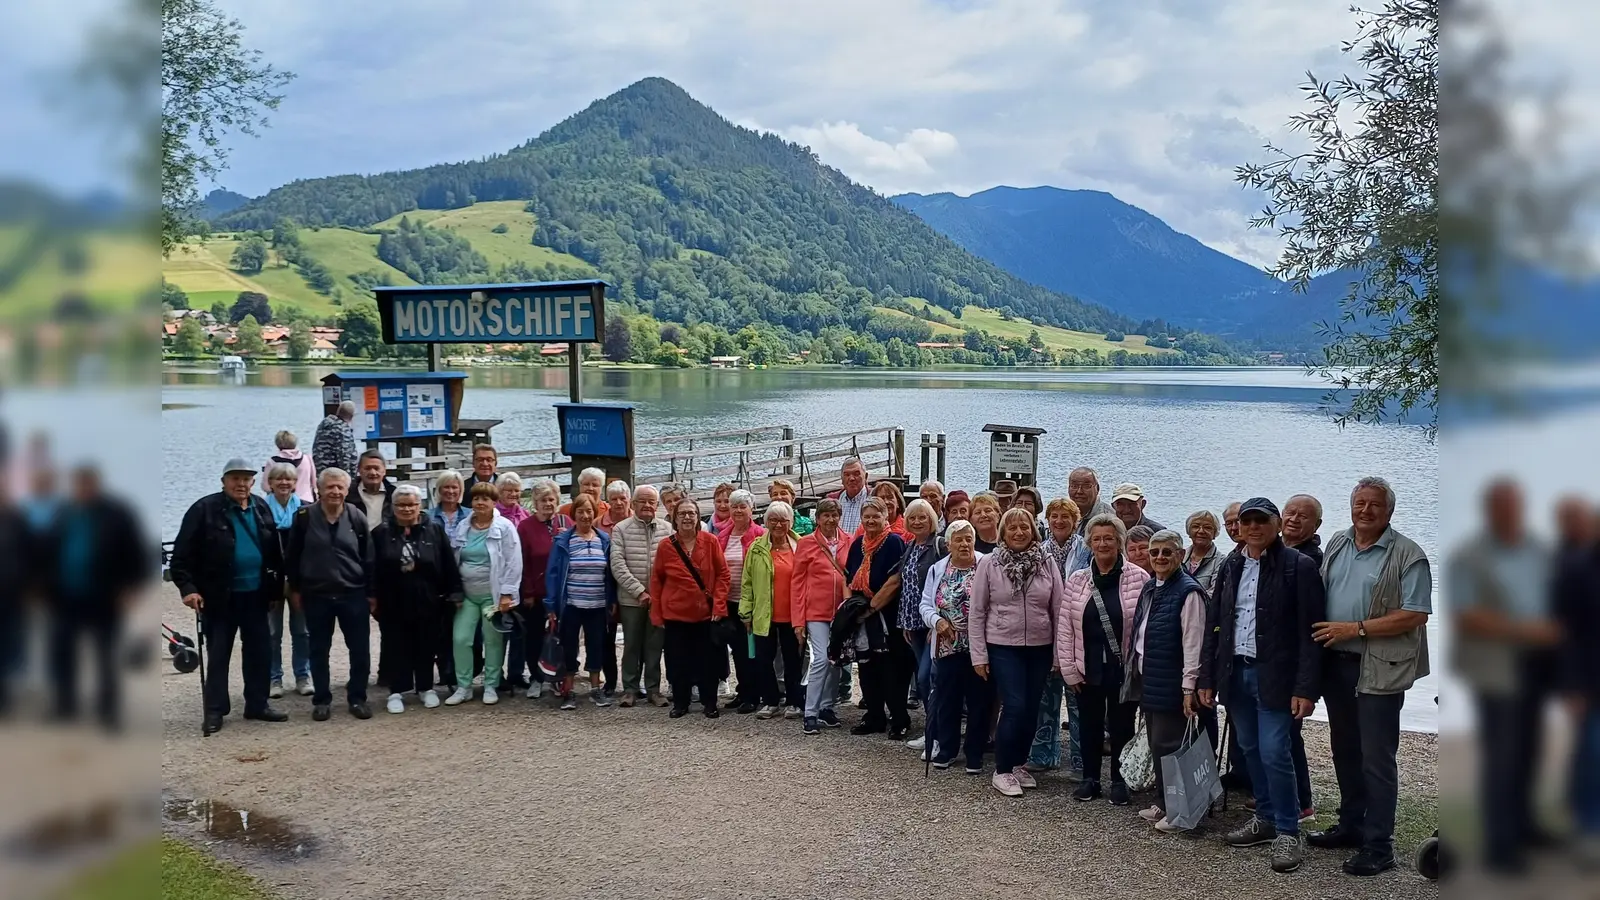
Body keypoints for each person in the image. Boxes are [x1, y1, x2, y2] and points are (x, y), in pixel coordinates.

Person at [1309, 477, 1433, 876]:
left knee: (1377, 760)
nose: (1365, 510)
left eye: (1374, 504)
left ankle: (1380, 846)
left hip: (1378, 668)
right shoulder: (1338, 543)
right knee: (1345, 751)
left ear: (1389, 510)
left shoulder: (1408, 554)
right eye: (1359, 503)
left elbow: (1415, 613)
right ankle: (1351, 826)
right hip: (1337, 665)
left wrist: (1356, 628)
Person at [1199, 497, 1325, 874]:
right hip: (1235, 671)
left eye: (1260, 521)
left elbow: (1311, 633)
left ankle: (1288, 830)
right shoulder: (1232, 565)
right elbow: (1215, 624)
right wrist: (1207, 676)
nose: (1252, 527)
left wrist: (1305, 688)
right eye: (1246, 521)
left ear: (1276, 525)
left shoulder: (1298, 567)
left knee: (1274, 751)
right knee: (1250, 748)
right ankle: (1266, 818)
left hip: (1276, 676)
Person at [171, 458, 287, 734]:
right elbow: (180, 558)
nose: (241, 484)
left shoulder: (260, 506)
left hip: (256, 595)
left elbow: (273, 553)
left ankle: (257, 704)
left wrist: (274, 590)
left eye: (246, 479)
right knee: (219, 654)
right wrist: (189, 589)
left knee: (260, 652)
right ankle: (215, 710)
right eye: (235, 478)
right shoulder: (204, 510)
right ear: (224, 481)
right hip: (219, 597)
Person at [41, 465, 150, 731]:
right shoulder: (63, 513)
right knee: (62, 653)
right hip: (65, 597)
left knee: (105, 655)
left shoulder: (117, 514)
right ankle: (65, 705)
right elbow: (46, 551)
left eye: (88, 484)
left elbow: (136, 553)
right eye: (78, 484)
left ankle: (108, 711)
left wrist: (131, 587)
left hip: (103, 596)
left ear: (97, 485)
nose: (83, 489)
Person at [970, 507, 1063, 796]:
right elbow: (977, 611)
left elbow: (1058, 609)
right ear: (1003, 533)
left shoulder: (1046, 562)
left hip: (1040, 645)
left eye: (1025, 527)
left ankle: (1020, 762)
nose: (1019, 533)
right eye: (1013, 528)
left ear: (1033, 531)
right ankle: (1003, 769)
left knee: (1032, 708)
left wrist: (1060, 655)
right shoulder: (989, 563)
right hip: (1002, 645)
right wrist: (979, 655)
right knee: (1015, 705)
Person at [1059, 513, 1149, 805]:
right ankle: (1090, 778)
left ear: (1120, 541)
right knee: (1089, 724)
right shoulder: (1077, 580)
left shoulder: (1139, 578)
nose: (1102, 544)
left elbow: (1145, 628)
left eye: (1109, 538)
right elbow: (1065, 628)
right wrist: (1069, 669)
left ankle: (1120, 780)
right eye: (1096, 539)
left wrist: (1140, 668)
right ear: (1089, 543)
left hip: (1123, 667)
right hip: (1087, 666)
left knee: (1123, 724)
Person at [1125, 529, 1208, 833]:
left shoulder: (1189, 592)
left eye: (1167, 552)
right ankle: (1163, 800)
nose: (1160, 557)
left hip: (1174, 681)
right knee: (1159, 744)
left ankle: (1182, 811)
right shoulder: (1153, 587)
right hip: (1152, 677)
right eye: (1155, 552)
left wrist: (1189, 687)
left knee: (1174, 746)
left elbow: (1193, 642)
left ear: (1181, 555)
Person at [286, 467, 377, 722]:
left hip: (353, 593)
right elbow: (292, 557)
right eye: (330, 487)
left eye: (340, 487)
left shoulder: (356, 516)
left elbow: (368, 557)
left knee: (359, 649)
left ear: (346, 491)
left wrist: (371, 593)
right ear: (319, 489)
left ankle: (357, 698)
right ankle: (322, 700)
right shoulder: (304, 517)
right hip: (317, 594)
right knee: (318, 649)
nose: (335, 492)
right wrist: (294, 590)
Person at [371, 485, 461, 714]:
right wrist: (371, 597)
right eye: (401, 505)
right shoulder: (380, 532)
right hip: (393, 599)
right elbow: (371, 568)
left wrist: (455, 592)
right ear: (393, 507)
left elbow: (448, 563)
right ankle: (396, 691)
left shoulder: (434, 529)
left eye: (412, 504)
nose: (407, 509)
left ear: (420, 505)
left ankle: (425, 688)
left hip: (428, 598)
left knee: (426, 643)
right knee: (395, 645)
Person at [920, 519, 993, 771]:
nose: (964, 544)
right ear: (948, 544)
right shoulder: (938, 569)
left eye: (968, 538)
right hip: (947, 645)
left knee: (979, 701)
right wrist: (937, 622)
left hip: (978, 646)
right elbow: (925, 605)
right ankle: (948, 749)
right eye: (958, 539)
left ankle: (975, 753)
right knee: (947, 699)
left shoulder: (986, 563)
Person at [650, 498, 731, 719]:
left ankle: (710, 702)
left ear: (698, 517)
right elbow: (657, 580)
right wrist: (656, 612)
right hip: (676, 613)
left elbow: (723, 575)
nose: (687, 517)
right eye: (682, 513)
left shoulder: (711, 541)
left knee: (708, 660)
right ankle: (681, 702)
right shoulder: (666, 546)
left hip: (705, 612)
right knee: (677, 660)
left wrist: (719, 604)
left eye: (691, 513)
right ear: (675, 518)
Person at [445, 482, 522, 706]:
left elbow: (513, 562)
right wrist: (454, 591)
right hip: (468, 595)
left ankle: (491, 685)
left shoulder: (505, 527)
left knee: (493, 640)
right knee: (461, 638)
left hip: (493, 595)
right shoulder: (462, 527)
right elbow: (454, 558)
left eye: (485, 499)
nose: (480, 503)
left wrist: (507, 594)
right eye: (476, 498)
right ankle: (464, 686)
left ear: (494, 502)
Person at [1554, 504, 1600, 868]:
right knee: (1591, 754)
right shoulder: (1579, 568)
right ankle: (1586, 833)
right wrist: (1572, 684)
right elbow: (1569, 633)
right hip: (1590, 682)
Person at [844, 498, 910, 737]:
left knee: (891, 670)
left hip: (888, 615)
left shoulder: (894, 543)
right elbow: (847, 576)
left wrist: (871, 608)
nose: (871, 521)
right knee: (866, 666)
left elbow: (895, 582)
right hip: (863, 615)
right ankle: (874, 716)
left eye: (876, 516)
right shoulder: (858, 544)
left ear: (885, 517)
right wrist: (850, 608)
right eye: (867, 516)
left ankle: (899, 719)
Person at [1030, 497, 1086, 774]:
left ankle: (1081, 760)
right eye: (1054, 516)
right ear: (1048, 521)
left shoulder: (1086, 551)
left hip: (1078, 633)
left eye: (1066, 516)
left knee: (1078, 699)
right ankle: (1043, 755)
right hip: (1047, 631)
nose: (1060, 521)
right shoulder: (1039, 552)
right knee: (1045, 698)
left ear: (1076, 521)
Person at [545, 493, 617, 710]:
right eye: (580, 511)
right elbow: (553, 574)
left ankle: (595, 690)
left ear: (594, 513)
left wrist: (612, 599)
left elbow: (610, 574)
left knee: (596, 647)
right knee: (569, 648)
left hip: (597, 605)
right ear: (574, 514)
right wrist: (550, 606)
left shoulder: (604, 541)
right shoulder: (563, 541)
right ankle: (569, 691)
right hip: (571, 605)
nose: (585, 516)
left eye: (589, 511)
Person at [610, 484, 671, 707]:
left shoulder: (667, 529)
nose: (646, 505)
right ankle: (629, 688)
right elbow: (617, 564)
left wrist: (658, 594)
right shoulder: (621, 529)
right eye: (642, 501)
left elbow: (672, 564)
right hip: (631, 599)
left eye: (651, 502)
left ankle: (654, 688)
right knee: (632, 645)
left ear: (657, 505)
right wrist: (639, 592)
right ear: (633, 504)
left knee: (655, 645)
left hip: (658, 599)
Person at [741, 501, 803, 718]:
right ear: (766, 522)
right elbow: (746, 582)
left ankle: (795, 701)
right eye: (773, 520)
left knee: (792, 661)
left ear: (790, 522)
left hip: (792, 615)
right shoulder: (756, 548)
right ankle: (770, 701)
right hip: (763, 614)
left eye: (783, 520)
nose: (778, 524)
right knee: (764, 660)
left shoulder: (800, 545)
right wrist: (745, 612)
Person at [795, 499, 849, 734]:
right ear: (817, 519)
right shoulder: (807, 543)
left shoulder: (848, 540)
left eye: (834, 515)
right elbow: (797, 583)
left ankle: (827, 706)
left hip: (840, 611)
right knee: (820, 658)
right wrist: (798, 620)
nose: (830, 519)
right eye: (825, 515)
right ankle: (810, 711)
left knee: (835, 658)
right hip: (815, 611)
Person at [515, 479, 570, 700]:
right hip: (536, 593)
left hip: (562, 593)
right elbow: (523, 562)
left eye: (551, 499)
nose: (548, 503)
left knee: (560, 638)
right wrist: (527, 592)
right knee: (535, 637)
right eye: (543, 500)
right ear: (535, 503)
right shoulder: (525, 527)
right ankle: (536, 679)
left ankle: (557, 678)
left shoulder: (565, 521)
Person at [897, 499, 945, 749]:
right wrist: (905, 621)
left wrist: (937, 621)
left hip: (932, 624)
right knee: (923, 677)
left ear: (932, 520)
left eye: (922, 517)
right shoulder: (909, 546)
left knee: (927, 678)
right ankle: (931, 732)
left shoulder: (938, 545)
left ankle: (938, 734)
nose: (917, 522)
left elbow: (947, 583)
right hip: (912, 623)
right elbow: (906, 587)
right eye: (912, 518)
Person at [262, 462, 310, 699]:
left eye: (289, 479)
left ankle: (303, 675)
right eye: (278, 479)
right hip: (271, 579)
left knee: (302, 631)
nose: (284, 483)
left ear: (295, 483)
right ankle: (274, 679)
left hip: (298, 579)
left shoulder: (305, 509)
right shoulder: (260, 509)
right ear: (269, 483)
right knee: (272, 632)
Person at [716, 489, 766, 713]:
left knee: (751, 650)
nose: (737, 510)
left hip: (752, 601)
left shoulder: (760, 534)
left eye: (742, 506)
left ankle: (753, 695)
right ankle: (743, 689)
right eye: (734, 506)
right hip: (729, 600)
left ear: (751, 509)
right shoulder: (723, 535)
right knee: (736, 648)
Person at [263, 430, 316, 503]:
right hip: (307, 501)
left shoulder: (272, 461)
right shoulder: (307, 458)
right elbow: (314, 483)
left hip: (281, 502)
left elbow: (266, 487)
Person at [1184, 510, 1225, 594]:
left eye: (1207, 527)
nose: (1201, 531)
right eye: (1195, 526)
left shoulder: (1221, 561)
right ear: (1188, 531)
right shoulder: (1179, 557)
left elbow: (1214, 593)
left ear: (1214, 533)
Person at [313, 400, 358, 476]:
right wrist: (349, 477)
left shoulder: (323, 425)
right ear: (352, 416)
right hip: (335, 474)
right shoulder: (342, 429)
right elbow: (344, 455)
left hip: (321, 471)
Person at [355, 449, 394, 528]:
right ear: (359, 470)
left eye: (376, 468)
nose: (373, 473)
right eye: (367, 468)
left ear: (384, 471)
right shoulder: (347, 495)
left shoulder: (394, 495)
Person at [832, 457, 871, 535]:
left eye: (856, 474)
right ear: (842, 479)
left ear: (866, 477)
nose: (851, 478)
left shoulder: (874, 498)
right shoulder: (833, 500)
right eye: (846, 475)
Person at [1283, 494, 1325, 566]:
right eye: (1291, 513)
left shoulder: (1312, 560)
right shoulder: (1266, 547)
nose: (1294, 519)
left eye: (1303, 516)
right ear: (1282, 515)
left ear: (1317, 524)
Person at [1068, 467, 1112, 535]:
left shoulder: (1108, 517)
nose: (1079, 491)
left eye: (1086, 486)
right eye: (1074, 486)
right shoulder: (1063, 515)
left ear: (1097, 489)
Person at [429, 470, 470, 534]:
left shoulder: (470, 515)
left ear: (460, 490)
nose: (450, 491)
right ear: (439, 489)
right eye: (446, 487)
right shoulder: (428, 516)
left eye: (454, 487)